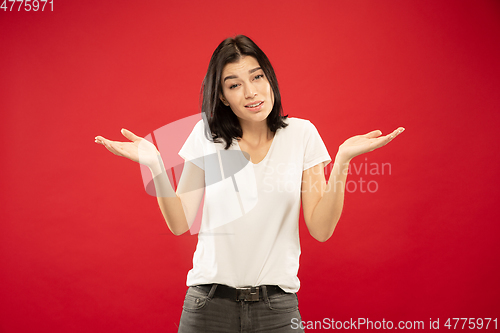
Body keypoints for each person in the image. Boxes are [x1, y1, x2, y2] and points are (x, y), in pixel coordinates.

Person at [95, 35, 404, 332]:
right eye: (234, 85)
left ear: (269, 78)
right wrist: (155, 165)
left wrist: (342, 162)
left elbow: (321, 230)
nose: (251, 92)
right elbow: (180, 223)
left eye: (257, 78)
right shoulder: (207, 137)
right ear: (222, 96)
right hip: (208, 308)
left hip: (277, 311)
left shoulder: (302, 134)